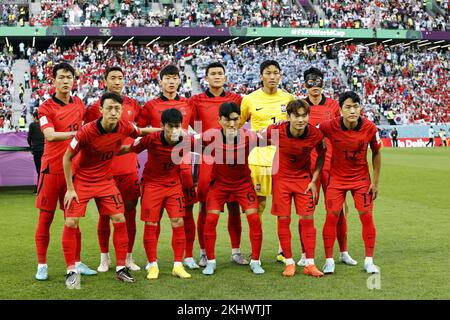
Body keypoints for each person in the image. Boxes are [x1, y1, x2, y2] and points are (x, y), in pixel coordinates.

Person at [62, 92, 159, 289]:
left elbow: (141, 131)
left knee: (120, 218)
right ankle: (71, 271)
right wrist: (70, 189)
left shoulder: (124, 126)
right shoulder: (86, 132)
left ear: (121, 110)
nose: (113, 112)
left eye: (117, 109)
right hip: (83, 180)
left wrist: (166, 130)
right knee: (71, 221)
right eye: (109, 108)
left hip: (106, 180)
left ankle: (121, 268)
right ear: (101, 110)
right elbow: (67, 158)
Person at [34, 62, 96, 281]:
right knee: (46, 218)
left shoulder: (79, 104)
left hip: (74, 171)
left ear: (73, 80)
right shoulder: (45, 107)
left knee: (73, 219)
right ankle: (42, 264)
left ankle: (76, 263)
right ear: (53, 80)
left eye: (69, 77)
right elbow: (49, 135)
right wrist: (78, 135)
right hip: (52, 170)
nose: (65, 81)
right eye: (61, 77)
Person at [138, 65, 198, 270]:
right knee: (154, 217)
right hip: (159, 170)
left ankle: (187, 256)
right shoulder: (150, 106)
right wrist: (161, 131)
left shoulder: (188, 104)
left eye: (175, 78)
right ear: (160, 81)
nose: (171, 82)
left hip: (184, 166)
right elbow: (139, 131)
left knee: (186, 213)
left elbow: (197, 131)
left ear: (179, 81)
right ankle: (151, 261)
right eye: (167, 78)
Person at [121, 108, 192, 280]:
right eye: (170, 127)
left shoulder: (186, 140)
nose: (174, 131)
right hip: (152, 185)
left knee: (178, 221)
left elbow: (208, 146)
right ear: (162, 126)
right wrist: (102, 151)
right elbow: (128, 149)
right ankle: (152, 264)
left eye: (177, 126)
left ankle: (178, 265)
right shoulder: (151, 139)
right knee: (152, 223)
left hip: (174, 184)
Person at [195, 102, 265, 275]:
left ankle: (255, 261)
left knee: (254, 219)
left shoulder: (249, 136)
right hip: (219, 186)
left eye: (235, 119)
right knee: (210, 220)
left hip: (243, 185)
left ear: (240, 120)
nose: (232, 124)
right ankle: (210, 262)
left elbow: (275, 137)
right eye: (227, 120)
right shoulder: (210, 136)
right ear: (219, 120)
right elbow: (186, 141)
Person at [85, 66, 142, 272]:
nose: (117, 81)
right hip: (105, 171)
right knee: (104, 216)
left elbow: (140, 132)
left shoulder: (134, 104)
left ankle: (128, 257)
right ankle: (104, 258)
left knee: (129, 213)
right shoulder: (94, 108)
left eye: (120, 77)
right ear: (105, 81)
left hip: (129, 169)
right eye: (113, 78)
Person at [190, 62, 246, 267]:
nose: (216, 77)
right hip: (208, 160)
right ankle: (204, 252)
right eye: (212, 73)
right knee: (204, 206)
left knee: (233, 205)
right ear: (205, 77)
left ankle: (236, 251)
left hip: (233, 158)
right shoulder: (196, 100)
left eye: (219, 73)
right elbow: (189, 126)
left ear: (225, 77)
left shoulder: (237, 100)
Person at [239, 60, 295, 264]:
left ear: (280, 75)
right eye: (268, 73)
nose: (272, 76)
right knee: (258, 206)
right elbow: (237, 124)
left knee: (283, 206)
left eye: (276, 73)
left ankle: (283, 251)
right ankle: (256, 253)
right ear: (261, 75)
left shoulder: (289, 98)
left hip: (283, 159)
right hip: (258, 160)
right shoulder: (249, 99)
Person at [320, 91, 382, 274]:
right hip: (336, 179)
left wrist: (376, 182)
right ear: (340, 110)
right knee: (332, 216)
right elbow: (310, 133)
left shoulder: (370, 128)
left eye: (356, 107)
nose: (352, 111)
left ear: (360, 108)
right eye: (348, 107)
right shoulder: (329, 126)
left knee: (366, 216)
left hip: (361, 179)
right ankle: (329, 260)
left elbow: (377, 153)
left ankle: (369, 261)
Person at [301, 67, 356, 268]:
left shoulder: (334, 106)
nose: (314, 86)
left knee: (338, 210)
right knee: (306, 210)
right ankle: (305, 253)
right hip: (307, 166)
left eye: (318, 81)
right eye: (310, 81)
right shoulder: (299, 106)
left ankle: (343, 252)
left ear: (324, 82)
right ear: (304, 84)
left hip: (332, 165)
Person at [266, 99, 325, 278]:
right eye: (296, 116)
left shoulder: (315, 134)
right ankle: (289, 262)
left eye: (304, 115)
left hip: (303, 179)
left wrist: (314, 180)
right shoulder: (275, 130)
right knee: (283, 220)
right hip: (281, 179)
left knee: (308, 219)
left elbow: (322, 155)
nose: (301, 119)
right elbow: (255, 140)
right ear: (289, 116)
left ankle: (310, 263)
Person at [27, 110, 45, 193]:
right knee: (45, 170)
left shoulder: (32, 125)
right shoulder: (44, 125)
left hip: (37, 150)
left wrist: (31, 147)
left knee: (39, 170)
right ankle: (42, 188)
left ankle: (39, 188)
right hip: (45, 150)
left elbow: (29, 138)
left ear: (34, 117)